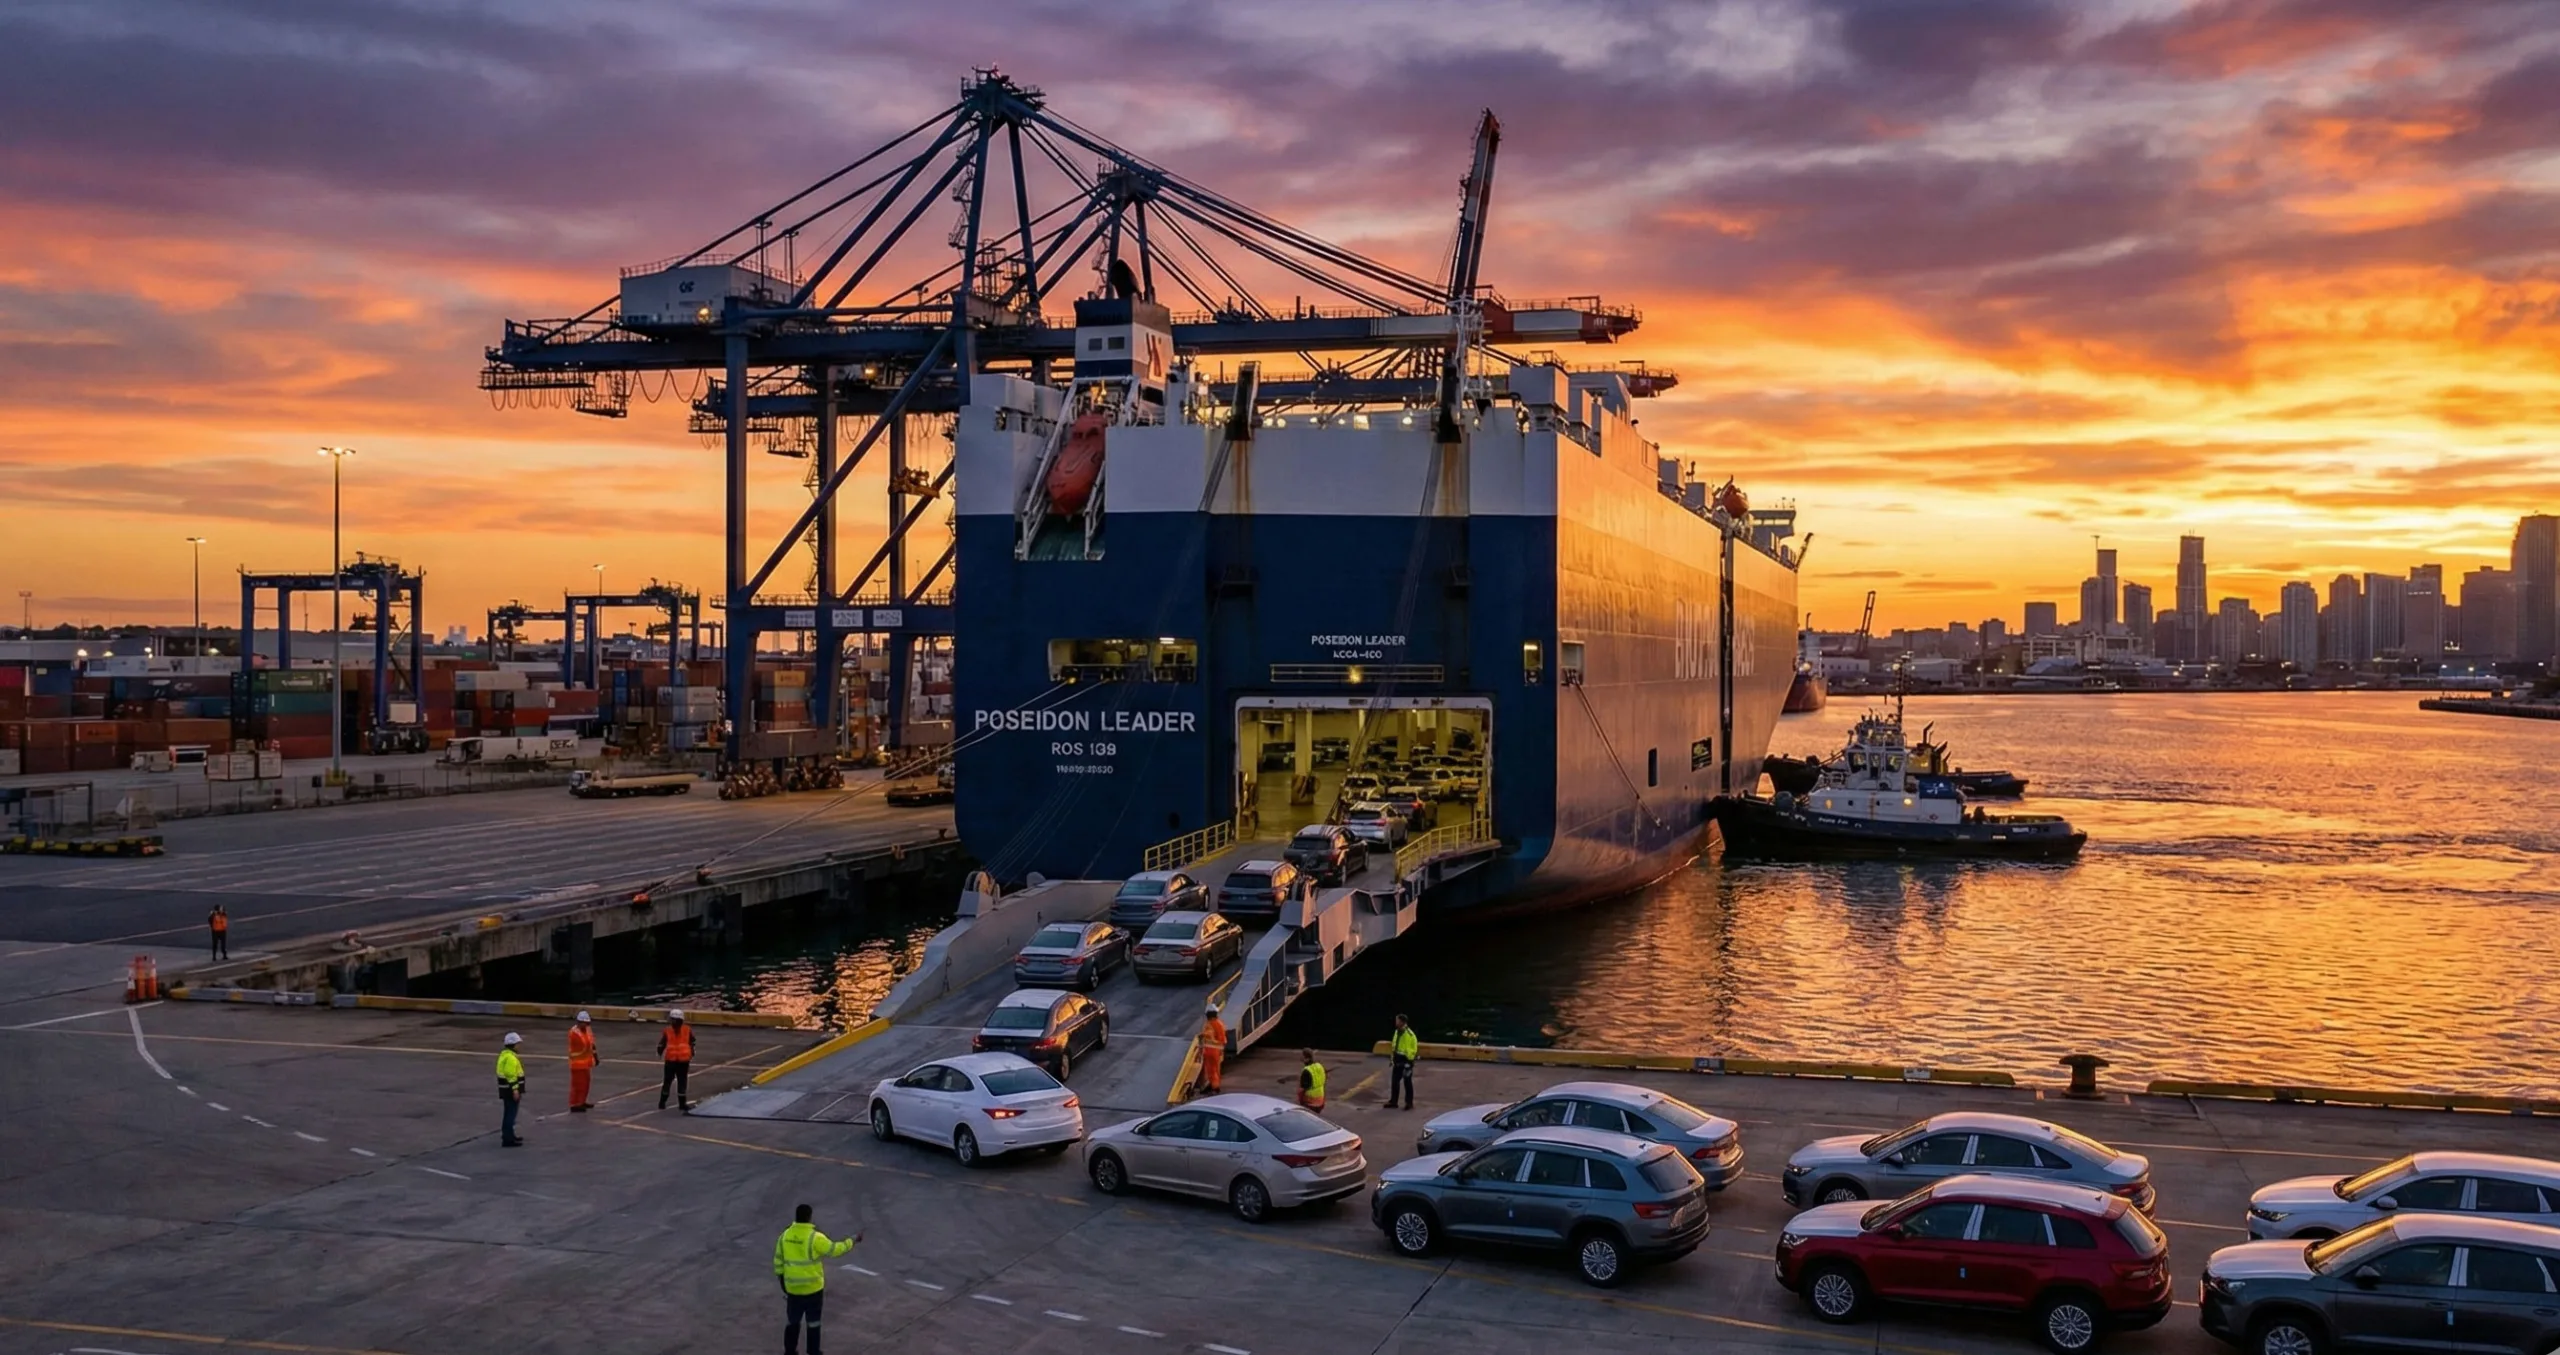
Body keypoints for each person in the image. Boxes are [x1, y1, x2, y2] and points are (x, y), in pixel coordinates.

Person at [774, 1203, 861, 1355]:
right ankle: (813, 1351)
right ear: (809, 1217)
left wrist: (783, 1283)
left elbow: (778, 1262)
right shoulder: (815, 1238)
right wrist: (852, 1240)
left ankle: (789, 1351)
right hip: (813, 1290)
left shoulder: (784, 1236)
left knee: (792, 1322)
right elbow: (835, 1250)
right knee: (813, 1323)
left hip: (793, 1290)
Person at [657, 1009, 694, 1111]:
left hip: (680, 1060)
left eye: (675, 1020)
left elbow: (662, 1044)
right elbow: (692, 1042)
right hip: (674, 1060)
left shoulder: (686, 1030)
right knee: (673, 1081)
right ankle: (664, 1102)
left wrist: (659, 1051)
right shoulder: (673, 1030)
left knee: (675, 1082)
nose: (674, 1022)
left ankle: (671, 1103)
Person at [495, 1032, 527, 1147]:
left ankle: (509, 1135)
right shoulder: (510, 1058)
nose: (519, 1046)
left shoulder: (505, 1055)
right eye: (518, 1043)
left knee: (509, 1113)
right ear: (513, 1044)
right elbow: (511, 1075)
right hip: (510, 1090)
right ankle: (508, 1139)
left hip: (505, 1089)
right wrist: (515, 1089)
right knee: (510, 1114)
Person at [567, 1011, 598, 1112]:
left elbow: (591, 1043)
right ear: (579, 1022)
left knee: (585, 1084)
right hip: (577, 1063)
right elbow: (584, 1046)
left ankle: (582, 1101)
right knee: (578, 1085)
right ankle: (575, 1104)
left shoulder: (587, 1030)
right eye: (585, 1023)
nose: (586, 1025)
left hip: (586, 1062)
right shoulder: (574, 1033)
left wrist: (595, 1056)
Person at [1388, 1014, 1419, 1110]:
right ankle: (1393, 1102)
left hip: (1406, 1061)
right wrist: (1392, 1058)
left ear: (1402, 1022)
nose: (1395, 1022)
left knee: (1407, 1082)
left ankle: (1409, 1103)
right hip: (1397, 1059)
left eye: (1397, 1020)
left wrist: (1409, 1062)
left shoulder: (1410, 1035)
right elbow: (1394, 1046)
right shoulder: (1397, 1032)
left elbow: (1413, 1049)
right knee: (1395, 1082)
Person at [1195, 1004, 1227, 1096]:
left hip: (1213, 1051)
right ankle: (1212, 1085)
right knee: (1211, 1070)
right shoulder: (1212, 1023)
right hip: (1210, 1051)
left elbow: (1221, 1039)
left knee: (1213, 1070)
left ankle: (1215, 1088)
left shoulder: (1216, 1024)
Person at [1295, 1047, 1326, 1111]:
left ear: (1307, 1059)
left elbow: (1302, 1090)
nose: (1301, 1058)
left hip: (1310, 1104)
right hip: (1320, 1102)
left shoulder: (1306, 1071)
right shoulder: (1319, 1066)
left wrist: (1298, 1103)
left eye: (1302, 1057)